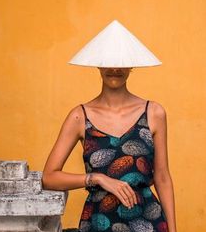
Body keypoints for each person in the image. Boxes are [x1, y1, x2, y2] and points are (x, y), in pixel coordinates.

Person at [42, 20, 177, 232]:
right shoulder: (79, 117)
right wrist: (97, 178)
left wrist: (173, 230)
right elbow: (49, 177)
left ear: (132, 65)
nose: (114, 68)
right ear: (98, 63)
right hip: (98, 221)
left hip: (148, 220)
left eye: (121, 62)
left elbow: (162, 176)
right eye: (108, 61)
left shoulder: (154, 113)